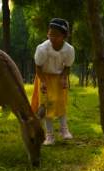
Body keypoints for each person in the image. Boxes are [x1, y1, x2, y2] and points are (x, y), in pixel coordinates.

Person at [31, 18, 75, 146]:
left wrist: (63, 78)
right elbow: (38, 67)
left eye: (56, 35)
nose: (52, 38)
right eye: (50, 34)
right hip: (44, 77)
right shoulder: (43, 49)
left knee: (61, 103)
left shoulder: (69, 50)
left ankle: (64, 130)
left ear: (63, 36)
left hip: (59, 77)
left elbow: (67, 66)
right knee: (46, 105)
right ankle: (49, 136)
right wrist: (43, 82)